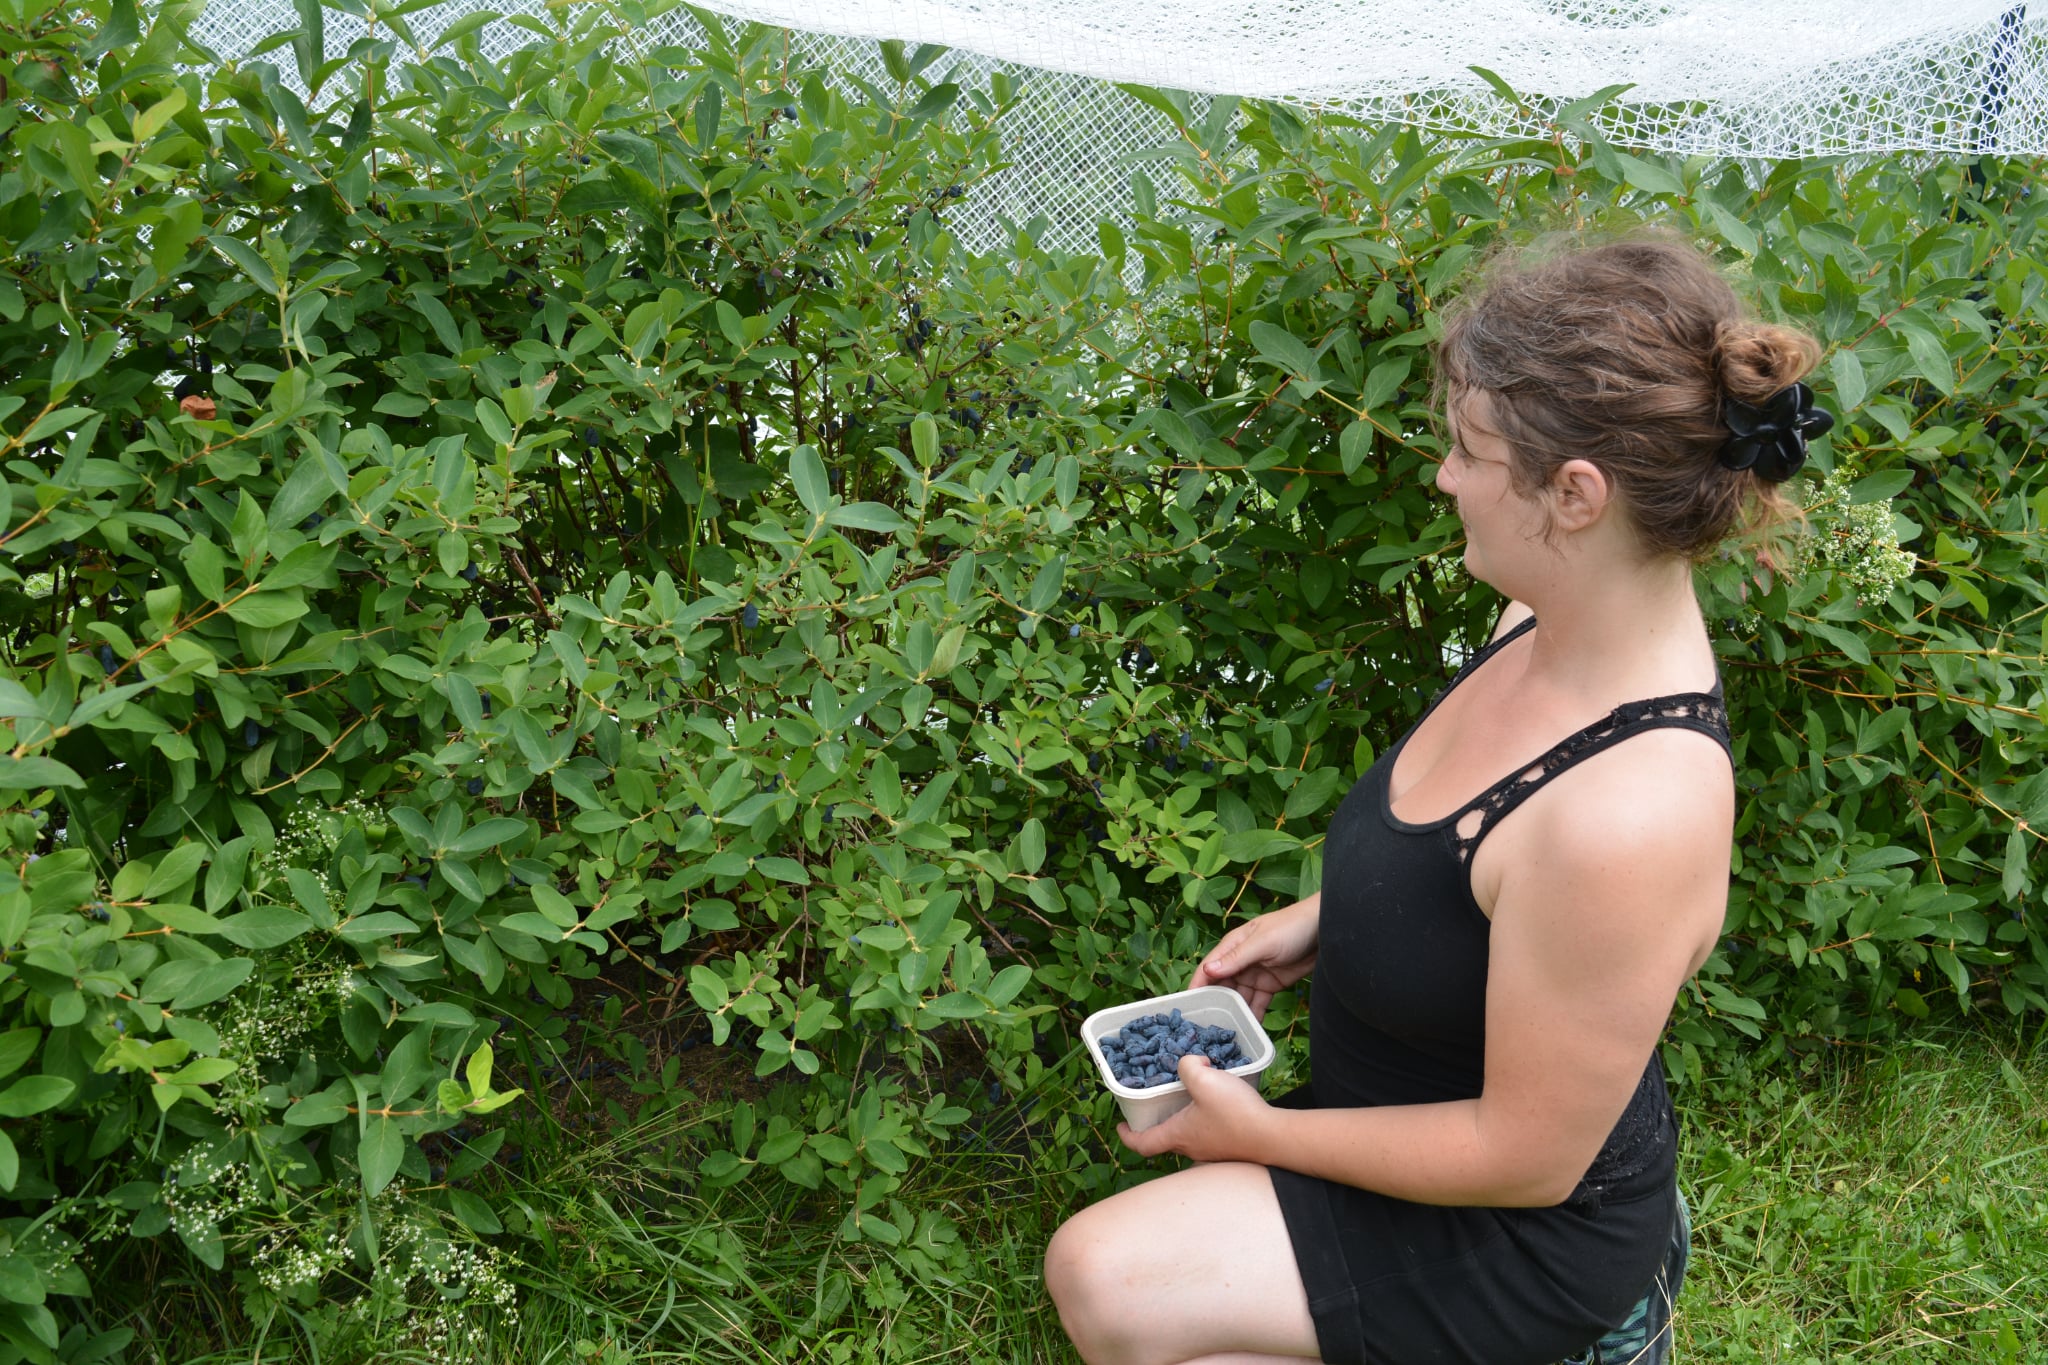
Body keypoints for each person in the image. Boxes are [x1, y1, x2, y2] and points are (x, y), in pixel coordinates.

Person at [1043, 233, 1830, 1365]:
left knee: (1104, 1276)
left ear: (1572, 494)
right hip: (1423, 1130)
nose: (1441, 476)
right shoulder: (1542, 621)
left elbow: (1526, 1156)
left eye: (1467, 449)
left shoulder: (1630, 813)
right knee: (1119, 1292)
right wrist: (1328, 920)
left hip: (1522, 1228)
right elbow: (1472, 876)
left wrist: (1262, 1138)